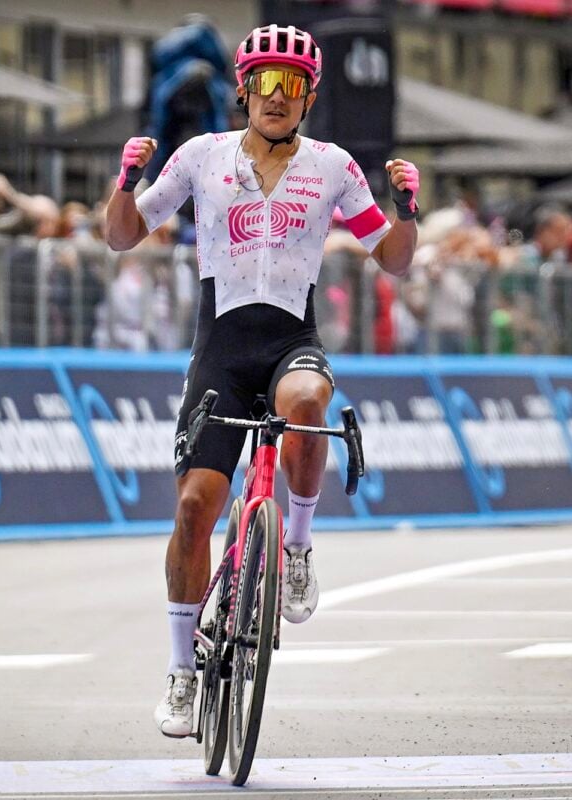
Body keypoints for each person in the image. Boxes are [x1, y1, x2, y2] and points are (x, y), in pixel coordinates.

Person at [105, 23, 419, 739]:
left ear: (309, 96)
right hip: (219, 353)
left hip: (289, 342)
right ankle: (182, 674)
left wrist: (408, 211)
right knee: (193, 511)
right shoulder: (200, 157)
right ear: (243, 89)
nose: (278, 97)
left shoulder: (333, 166)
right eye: (266, 83)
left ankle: (298, 550)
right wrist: (124, 183)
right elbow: (123, 234)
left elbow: (392, 259)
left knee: (310, 402)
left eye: (294, 85)